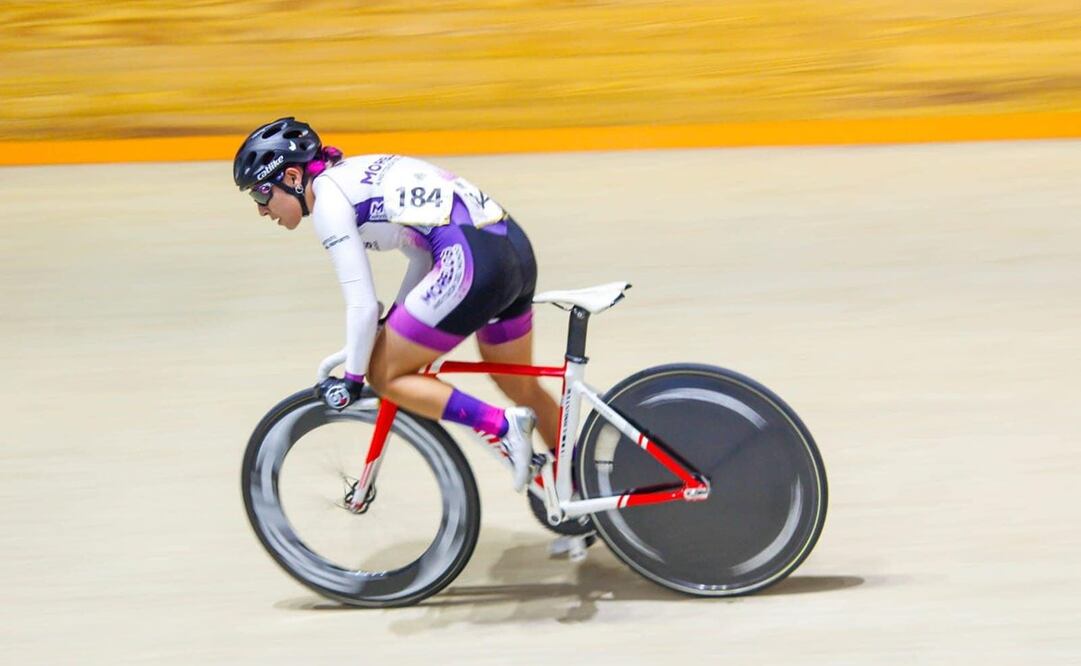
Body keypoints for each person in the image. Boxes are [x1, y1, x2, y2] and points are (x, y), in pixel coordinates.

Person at [232, 117, 560, 492]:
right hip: (509, 248)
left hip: (473, 262)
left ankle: (502, 426)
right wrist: (396, 322)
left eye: (260, 195)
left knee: (384, 375)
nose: (261, 210)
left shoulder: (328, 204)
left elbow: (362, 305)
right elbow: (421, 256)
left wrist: (354, 381)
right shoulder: (354, 174)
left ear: (291, 177)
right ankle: (579, 483)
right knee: (517, 383)